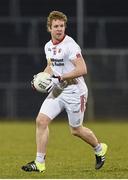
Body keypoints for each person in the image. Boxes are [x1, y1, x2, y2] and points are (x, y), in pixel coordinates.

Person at [21, 10, 107, 173]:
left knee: (76, 130)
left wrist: (61, 78)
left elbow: (82, 69)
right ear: (49, 28)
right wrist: (41, 78)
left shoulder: (70, 45)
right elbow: (50, 66)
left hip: (75, 91)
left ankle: (99, 149)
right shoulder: (48, 46)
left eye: (62, 26)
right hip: (59, 90)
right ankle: (39, 163)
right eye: (56, 26)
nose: (59, 29)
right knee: (41, 121)